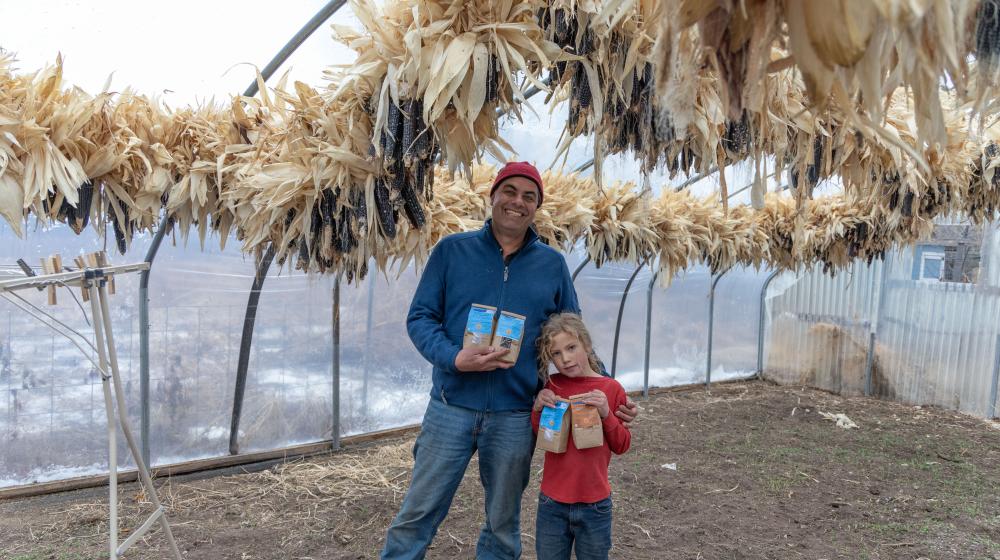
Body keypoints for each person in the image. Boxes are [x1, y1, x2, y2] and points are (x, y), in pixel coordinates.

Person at [381, 162, 638, 560]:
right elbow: (420, 318)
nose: (518, 202)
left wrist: (607, 388)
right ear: (493, 195)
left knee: (502, 524)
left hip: (516, 416)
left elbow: (572, 334)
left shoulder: (551, 265)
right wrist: (454, 358)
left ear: (536, 207)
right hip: (451, 408)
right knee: (418, 512)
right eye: (510, 191)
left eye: (529, 196)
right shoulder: (453, 251)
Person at [531, 313, 631, 560]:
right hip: (552, 504)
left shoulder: (611, 388)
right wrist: (537, 408)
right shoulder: (552, 385)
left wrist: (606, 412)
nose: (565, 358)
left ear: (586, 345)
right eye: (556, 353)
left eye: (571, 347)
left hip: (595, 505)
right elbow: (540, 434)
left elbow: (622, 444)